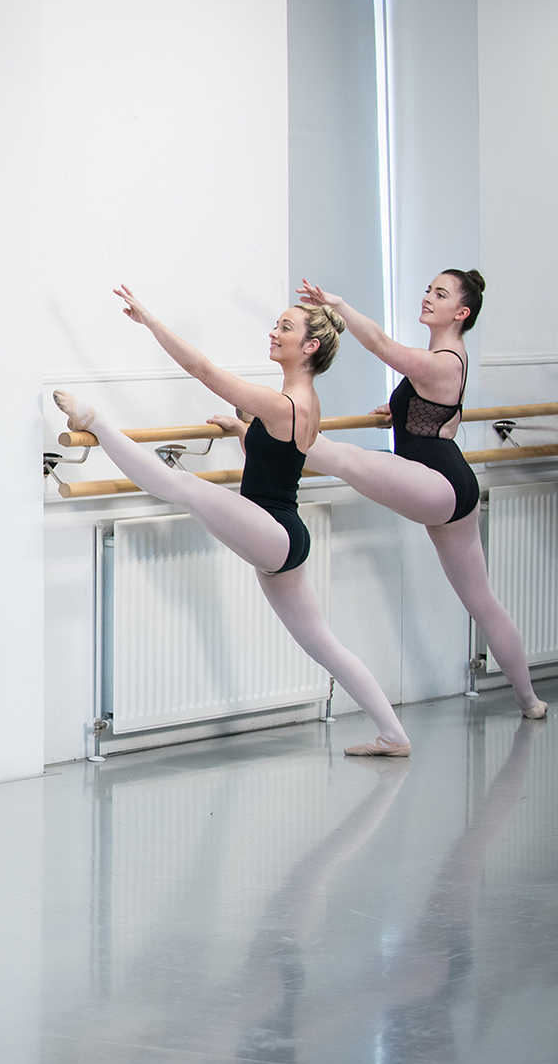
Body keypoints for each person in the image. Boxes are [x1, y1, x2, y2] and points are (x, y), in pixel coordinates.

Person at [53, 286, 410, 755]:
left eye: (285, 327)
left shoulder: (283, 404)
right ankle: (393, 735)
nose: (274, 332)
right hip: (280, 533)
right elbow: (277, 459)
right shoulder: (299, 404)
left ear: (310, 347)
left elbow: (202, 370)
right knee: (324, 644)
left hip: (275, 530)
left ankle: (95, 421)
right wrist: (245, 431)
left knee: (182, 486)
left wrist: (149, 319)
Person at [296, 270, 544, 719]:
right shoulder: (446, 358)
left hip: (438, 481)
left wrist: (339, 305)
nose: (428, 297)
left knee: (346, 460)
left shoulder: (445, 361)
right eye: (430, 289)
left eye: (441, 294)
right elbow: (440, 412)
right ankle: (530, 702)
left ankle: (262, 428)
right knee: (481, 600)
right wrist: (400, 409)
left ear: (461, 313)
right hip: (447, 483)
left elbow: (382, 347)